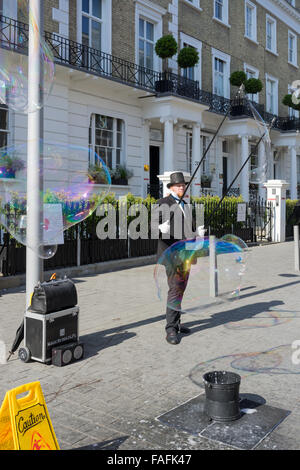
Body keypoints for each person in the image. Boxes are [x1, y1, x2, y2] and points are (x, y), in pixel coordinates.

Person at [153, 172, 205, 345]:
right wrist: (160, 227)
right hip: (172, 254)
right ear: (171, 187)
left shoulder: (185, 205)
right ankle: (170, 329)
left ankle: (177, 322)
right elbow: (151, 228)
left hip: (186, 254)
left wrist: (197, 233)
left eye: (183, 185)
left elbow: (187, 230)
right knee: (175, 289)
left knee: (181, 288)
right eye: (178, 185)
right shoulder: (162, 203)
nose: (181, 187)